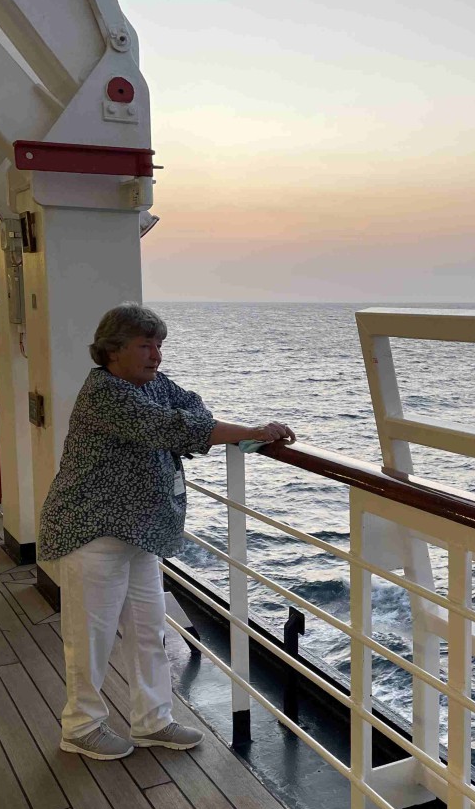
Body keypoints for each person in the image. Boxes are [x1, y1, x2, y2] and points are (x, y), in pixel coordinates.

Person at [39, 303, 296, 761]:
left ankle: (153, 721)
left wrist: (203, 427)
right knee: (91, 637)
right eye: (145, 345)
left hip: (141, 532)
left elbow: (193, 407)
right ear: (113, 350)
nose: (156, 355)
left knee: (148, 630)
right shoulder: (105, 393)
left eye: (158, 345)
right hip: (92, 530)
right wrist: (251, 431)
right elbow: (173, 425)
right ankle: (81, 727)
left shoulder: (154, 384)